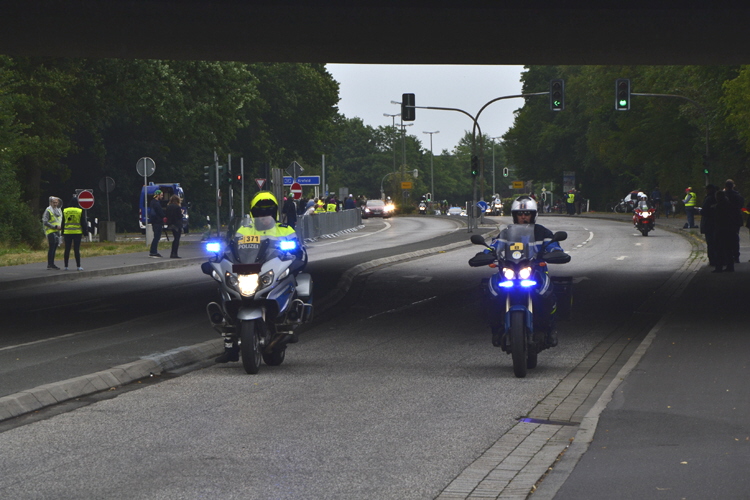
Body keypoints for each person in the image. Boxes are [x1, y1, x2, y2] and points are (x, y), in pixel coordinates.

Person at [216, 191, 306, 363]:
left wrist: (295, 255)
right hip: (249, 272)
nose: (264, 217)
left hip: (272, 271)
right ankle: (229, 346)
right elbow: (232, 250)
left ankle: (292, 319)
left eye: (268, 213)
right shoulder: (243, 230)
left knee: (296, 283)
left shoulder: (285, 229)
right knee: (225, 289)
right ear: (253, 214)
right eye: (260, 213)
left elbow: (299, 252)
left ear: (275, 213)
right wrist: (221, 256)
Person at [489, 195, 568, 347]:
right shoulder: (506, 233)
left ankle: (550, 328)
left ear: (533, 215)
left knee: (548, 294)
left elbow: (553, 246)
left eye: (527, 214)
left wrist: (555, 252)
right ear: (514, 215)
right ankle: (496, 328)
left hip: (536, 272)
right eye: (520, 214)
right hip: (511, 272)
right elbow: (495, 246)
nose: (523, 217)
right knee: (491, 292)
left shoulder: (543, 233)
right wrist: (486, 254)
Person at [61, 195, 89, 271]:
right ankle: (78, 266)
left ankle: (66, 266)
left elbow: (63, 222)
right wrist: (85, 232)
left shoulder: (65, 210)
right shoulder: (80, 211)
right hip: (77, 232)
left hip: (67, 232)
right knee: (76, 249)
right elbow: (83, 222)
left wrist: (62, 232)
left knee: (67, 249)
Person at [713, 190, 735, 272]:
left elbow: (717, 218)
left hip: (721, 229)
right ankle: (730, 266)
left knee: (719, 249)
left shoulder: (719, 206)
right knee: (728, 248)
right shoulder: (728, 204)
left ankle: (719, 267)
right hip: (729, 229)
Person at [723, 179, 744, 263]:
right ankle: (736, 255)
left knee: (726, 238)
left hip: (725, 219)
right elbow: (741, 205)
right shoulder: (738, 196)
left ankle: (728, 256)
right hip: (736, 219)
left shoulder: (724, 195)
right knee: (735, 237)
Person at [42, 196, 63, 270]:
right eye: (54, 202)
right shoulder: (48, 210)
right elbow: (45, 222)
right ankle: (50, 264)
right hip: (50, 231)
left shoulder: (58, 210)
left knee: (54, 248)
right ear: (50, 203)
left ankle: (52, 263)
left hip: (57, 232)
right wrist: (54, 227)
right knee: (52, 248)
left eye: (56, 202)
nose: (55, 204)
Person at [700, 184, 718, 267]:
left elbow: (704, 211)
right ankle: (719, 259)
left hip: (709, 224)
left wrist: (699, 211)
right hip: (717, 224)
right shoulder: (719, 199)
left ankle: (713, 260)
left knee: (710, 243)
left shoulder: (709, 199)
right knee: (717, 243)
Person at [165, 194, 183, 258]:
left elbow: (167, 215)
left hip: (171, 224)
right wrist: (182, 213)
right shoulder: (177, 207)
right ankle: (174, 253)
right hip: (177, 224)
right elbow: (179, 216)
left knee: (175, 238)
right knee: (177, 239)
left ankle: (172, 253)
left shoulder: (168, 206)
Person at [149, 189, 165, 257]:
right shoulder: (156, 203)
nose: (162, 196)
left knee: (156, 237)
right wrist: (164, 216)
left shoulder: (152, 202)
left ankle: (153, 251)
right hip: (157, 222)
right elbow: (160, 212)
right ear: (157, 195)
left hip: (154, 222)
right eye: (161, 195)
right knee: (157, 237)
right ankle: (153, 251)